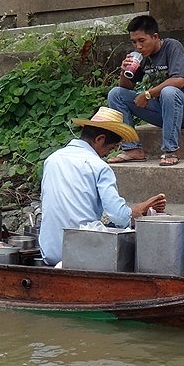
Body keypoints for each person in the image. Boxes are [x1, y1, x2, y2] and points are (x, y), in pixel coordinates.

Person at [38, 106, 167, 266]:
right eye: (110, 148)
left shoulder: (52, 159)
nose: (108, 153)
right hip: (78, 253)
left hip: (50, 250)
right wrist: (139, 209)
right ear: (99, 139)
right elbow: (119, 217)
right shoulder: (98, 166)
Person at [107, 14, 184, 166]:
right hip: (161, 111)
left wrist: (147, 94)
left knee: (169, 91)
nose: (138, 46)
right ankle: (132, 149)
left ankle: (170, 151)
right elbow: (126, 88)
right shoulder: (142, 56)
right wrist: (124, 71)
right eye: (134, 42)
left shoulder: (172, 46)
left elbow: (179, 80)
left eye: (142, 41)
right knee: (115, 94)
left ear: (155, 37)